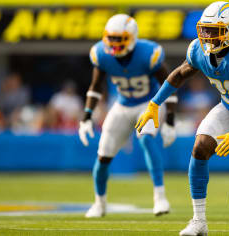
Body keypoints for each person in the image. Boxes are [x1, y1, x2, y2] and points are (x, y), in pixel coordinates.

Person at [135, 2, 229, 235]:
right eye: (205, 30)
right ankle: (198, 222)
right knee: (200, 147)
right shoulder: (199, 51)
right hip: (228, 108)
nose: (207, 36)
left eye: (214, 31)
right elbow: (178, 75)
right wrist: (154, 103)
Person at [78, 14, 177, 218]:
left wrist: (170, 121)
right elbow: (95, 87)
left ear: (132, 37)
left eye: (119, 38)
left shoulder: (148, 53)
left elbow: (169, 86)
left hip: (149, 104)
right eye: (111, 38)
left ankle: (160, 197)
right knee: (103, 155)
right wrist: (86, 116)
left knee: (146, 140)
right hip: (122, 105)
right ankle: (99, 203)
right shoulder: (101, 54)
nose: (113, 44)